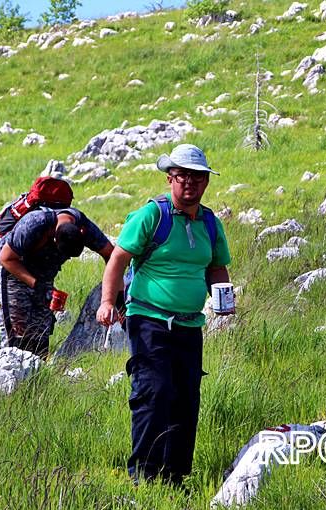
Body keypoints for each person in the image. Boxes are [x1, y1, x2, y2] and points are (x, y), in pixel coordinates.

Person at [96, 144, 233, 484]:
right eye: (183, 176)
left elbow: (216, 267)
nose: (191, 183)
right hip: (148, 320)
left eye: (198, 177)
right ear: (171, 178)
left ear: (206, 182)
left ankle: (174, 478)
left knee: (186, 399)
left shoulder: (211, 224)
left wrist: (223, 297)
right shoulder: (151, 217)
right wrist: (107, 302)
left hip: (190, 325)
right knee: (154, 393)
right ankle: (143, 476)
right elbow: (118, 259)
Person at [0, 206, 114, 357]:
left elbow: (111, 254)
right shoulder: (34, 224)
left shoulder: (84, 226)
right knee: (18, 335)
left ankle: (38, 375)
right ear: (54, 238)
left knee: (41, 335)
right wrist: (37, 285)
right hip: (14, 272)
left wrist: (113, 293)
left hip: (44, 277)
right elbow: (6, 258)